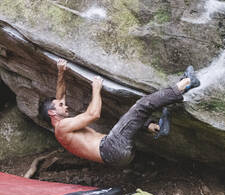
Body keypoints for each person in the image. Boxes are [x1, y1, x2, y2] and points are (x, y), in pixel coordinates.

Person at [39, 59, 200, 166]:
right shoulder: (62, 127)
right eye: (61, 105)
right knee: (141, 106)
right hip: (111, 147)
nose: (66, 105)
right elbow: (93, 114)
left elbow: (60, 96)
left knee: (128, 117)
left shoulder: (60, 129)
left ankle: (156, 127)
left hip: (116, 156)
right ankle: (187, 82)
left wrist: (61, 72)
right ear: (53, 113)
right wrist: (96, 89)